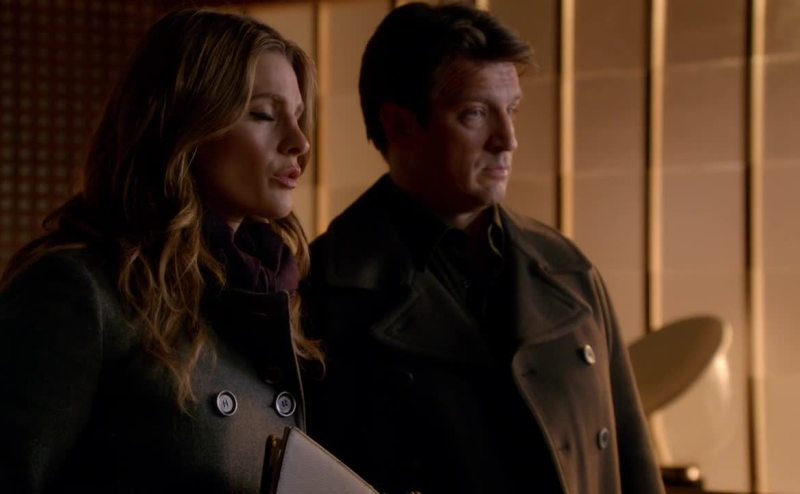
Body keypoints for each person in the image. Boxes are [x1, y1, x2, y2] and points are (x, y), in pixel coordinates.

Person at [305, 3, 665, 493]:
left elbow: (633, 461)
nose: (508, 139)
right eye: (475, 114)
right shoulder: (324, 292)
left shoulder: (566, 267)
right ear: (400, 125)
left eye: (511, 110)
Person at [0, 8, 322, 492]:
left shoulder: (267, 294)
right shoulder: (77, 289)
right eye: (263, 114)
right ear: (184, 126)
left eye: (297, 116)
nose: (299, 142)